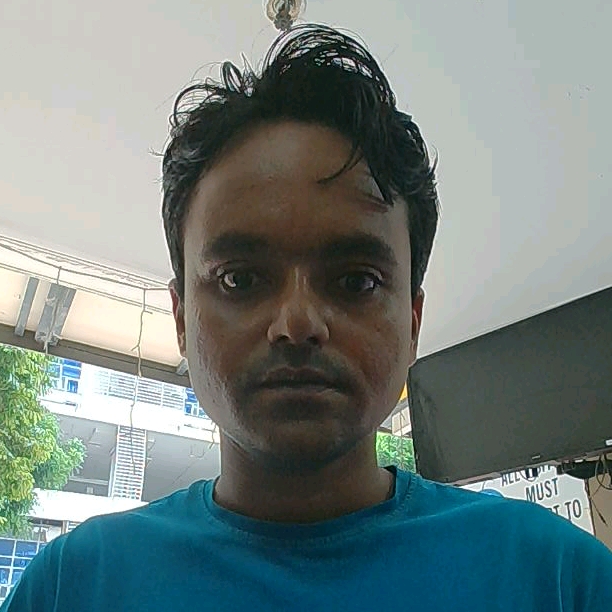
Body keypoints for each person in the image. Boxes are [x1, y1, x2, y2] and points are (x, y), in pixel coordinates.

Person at [3, 23, 612, 612]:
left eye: (356, 281)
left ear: (413, 321)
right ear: (182, 318)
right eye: (240, 279)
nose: (296, 323)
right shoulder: (74, 587)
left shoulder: (558, 580)